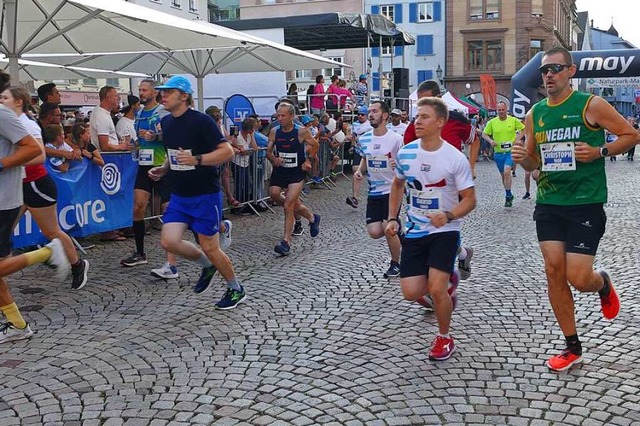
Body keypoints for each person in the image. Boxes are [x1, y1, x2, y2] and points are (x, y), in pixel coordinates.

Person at [511, 46, 638, 372]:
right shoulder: (535, 113)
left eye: (555, 68)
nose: (549, 75)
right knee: (553, 271)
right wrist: (521, 158)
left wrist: (599, 151)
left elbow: (631, 134)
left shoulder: (590, 105)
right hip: (549, 202)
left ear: (571, 72)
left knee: (579, 278)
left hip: (585, 202)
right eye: (544, 70)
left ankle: (602, 283)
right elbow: (534, 161)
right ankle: (572, 346)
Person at [386, 96, 476, 361]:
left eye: (424, 117)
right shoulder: (406, 152)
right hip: (414, 229)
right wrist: (393, 218)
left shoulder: (454, 158)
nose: (418, 121)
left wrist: (448, 215)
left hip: (444, 231)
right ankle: (449, 279)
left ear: (440, 122)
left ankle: (445, 337)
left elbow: (470, 200)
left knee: (436, 290)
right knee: (411, 292)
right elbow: (397, 184)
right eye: (417, 116)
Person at [148, 76, 246, 310]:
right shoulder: (167, 123)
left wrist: (197, 159)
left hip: (204, 194)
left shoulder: (202, 122)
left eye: (168, 92)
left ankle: (235, 288)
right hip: (180, 194)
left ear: (183, 96)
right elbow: (175, 155)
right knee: (168, 241)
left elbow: (228, 152)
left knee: (211, 247)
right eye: (162, 91)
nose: (162, 95)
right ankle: (206, 265)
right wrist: (163, 169)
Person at [0, 71, 70, 344]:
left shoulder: (4, 115)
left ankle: (47, 253)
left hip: (3, 200)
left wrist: (2, 164)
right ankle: (17, 325)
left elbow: (33, 150)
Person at [1, 87, 90, 289]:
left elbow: (40, 156)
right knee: (4, 232)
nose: (1, 100)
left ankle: (77, 265)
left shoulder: (27, 125)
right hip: (17, 186)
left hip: (36, 184)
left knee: (52, 231)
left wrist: (9, 163)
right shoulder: (9, 121)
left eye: (5, 97)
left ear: (18, 102)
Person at [402, 80, 477, 280]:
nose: (420, 107)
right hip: (424, 184)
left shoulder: (456, 118)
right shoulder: (414, 124)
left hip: (451, 182)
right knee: (430, 227)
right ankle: (462, 255)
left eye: (425, 100)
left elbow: (474, 139)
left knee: (448, 224)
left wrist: (471, 166)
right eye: (419, 102)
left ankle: (441, 281)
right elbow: (407, 151)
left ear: (438, 98)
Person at [120, 80, 178, 278]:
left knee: (167, 209)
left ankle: (171, 262)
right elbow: (139, 139)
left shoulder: (163, 112)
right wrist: (134, 145)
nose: (141, 93)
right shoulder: (138, 114)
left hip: (163, 165)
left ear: (155, 92)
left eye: (144, 90)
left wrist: (156, 137)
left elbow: (171, 136)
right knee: (138, 207)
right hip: (144, 166)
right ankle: (140, 252)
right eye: (140, 90)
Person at [354, 101, 403, 278]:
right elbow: (366, 158)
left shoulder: (396, 139)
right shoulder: (365, 138)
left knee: (388, 228)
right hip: (373, 192)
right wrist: (360, 170)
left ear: (385, 115)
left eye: (375, 111)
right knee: (375, 232)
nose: (371, 114)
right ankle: (399, 231)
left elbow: (404, 165)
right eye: (369, 111)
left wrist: (395, 163)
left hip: (391, 190)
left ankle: (396, 264)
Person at [266, 103, 321, 256]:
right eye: (278, 115)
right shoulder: (274, 131)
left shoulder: (301, 132)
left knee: (289, 205)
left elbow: (315, 144)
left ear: (291, 116)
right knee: (274, 194)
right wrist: (273, 158)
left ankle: (285, 242)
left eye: (283, 115)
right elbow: (268, 152)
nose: (280, 118)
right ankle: (311, 217)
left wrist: (308, 161)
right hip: (280, 170)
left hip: (296, 172)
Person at [482, 101, 525, 207]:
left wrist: (517, 139)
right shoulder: (492, 122)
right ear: (497, 111)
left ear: (507, 110)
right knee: (503, 176)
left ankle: (508, 195)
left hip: (510, 151)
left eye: (503, 110)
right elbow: (484, 134)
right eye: (499, 110)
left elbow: (524, 129)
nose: (501, 112)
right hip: (498, 153)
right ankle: (508, 194)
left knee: (507, 172)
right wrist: (490, 141)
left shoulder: (513, 120)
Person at [345, 106, 373, 208]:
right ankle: (355, 198)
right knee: (356, 172)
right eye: (359, 114)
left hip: (369, 152)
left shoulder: (370, 125)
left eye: (362, 115)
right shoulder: (355, 124)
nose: (360, 116)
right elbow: (353, 137)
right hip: (358, 151)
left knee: (373, 174)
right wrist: (352, 146)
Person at [90, 86, 130, 152]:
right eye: (115, 96)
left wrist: (117, 143)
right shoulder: (102, 116)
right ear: (107, 98)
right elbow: (104, 146)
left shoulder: (99, 111)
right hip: (108, 158)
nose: (118, 98)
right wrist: (120, 147)